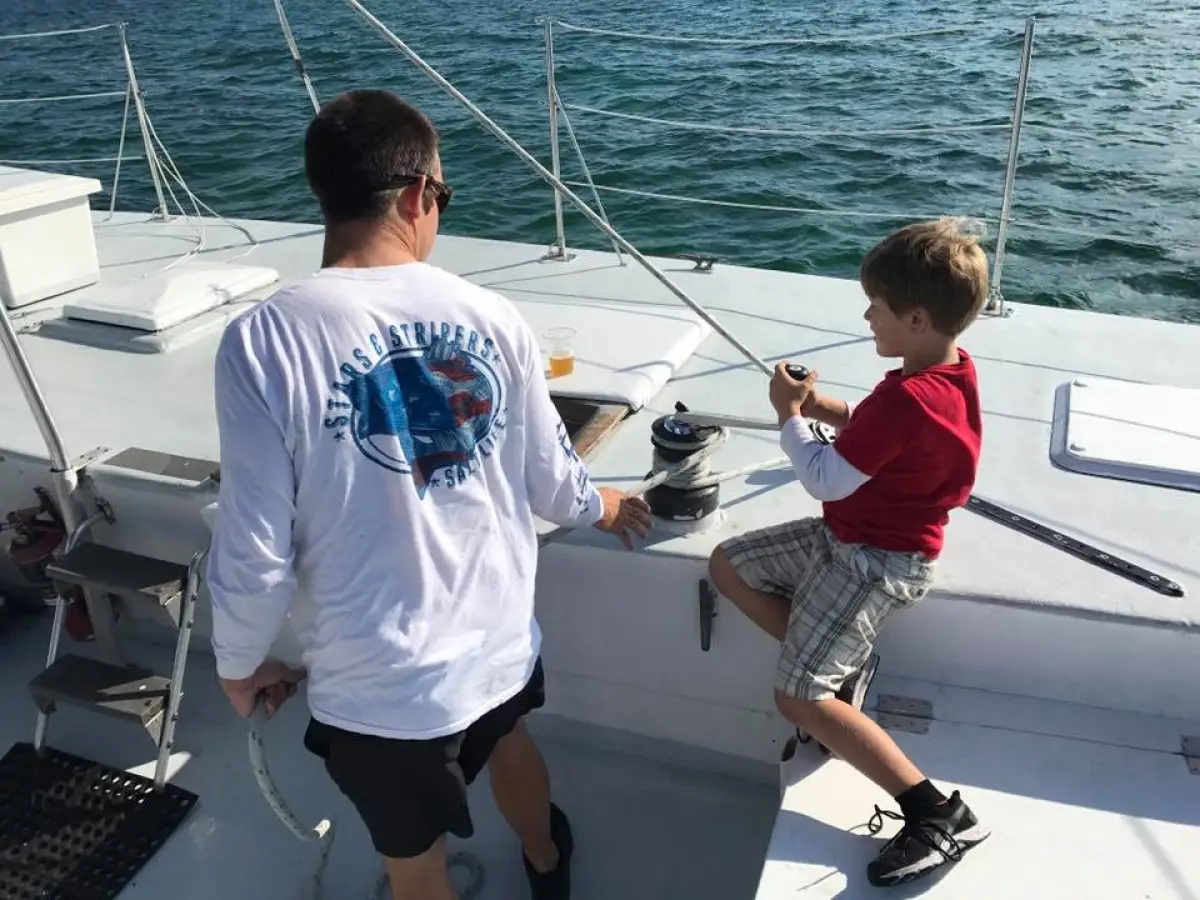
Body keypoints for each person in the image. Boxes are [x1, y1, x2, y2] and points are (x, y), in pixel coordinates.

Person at [205, 89, 652, 900]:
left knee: (415, 870)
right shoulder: (495, 315)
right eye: (442, 197)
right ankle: (547, 863)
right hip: (496, 649)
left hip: (380, 694)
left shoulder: (263, 339)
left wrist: (238, 667)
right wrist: (607, 506)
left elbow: (254, 549)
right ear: (416, 194)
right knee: (511, 743)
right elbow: (554, 486)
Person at [708, 218, 991, 888]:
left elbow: (824, 477)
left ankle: (938, 814)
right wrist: (819, 403)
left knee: (797, 698)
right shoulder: (944, 372)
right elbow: (875, 427)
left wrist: (788, 415)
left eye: (878, 307)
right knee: (729, 564)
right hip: (850, 538)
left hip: (877, 560)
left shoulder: (907, 400)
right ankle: (838, 664)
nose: (867, 316)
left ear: (916, 317)